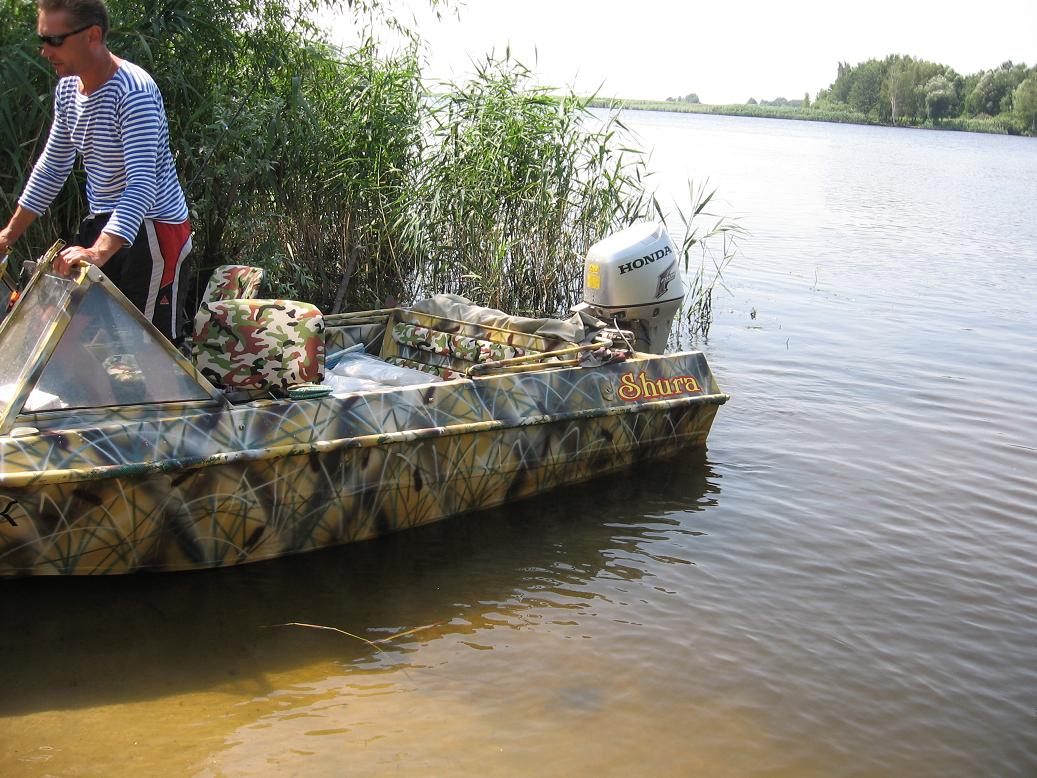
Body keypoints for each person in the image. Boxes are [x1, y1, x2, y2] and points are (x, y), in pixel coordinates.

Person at [0, 0, 192, 343]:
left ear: (92, 35)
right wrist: (7, 237)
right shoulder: (67, 90)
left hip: (153, 229)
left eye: (54, 40)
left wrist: (97, 252)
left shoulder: (134, 91)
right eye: (41, 40)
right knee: (65, 338)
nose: (45, 52)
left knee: (149, 348)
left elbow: (142, 183)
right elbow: (52, 167)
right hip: (103, 221)